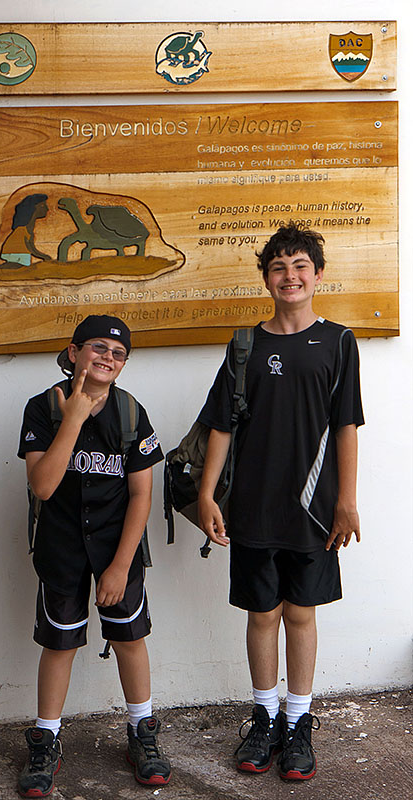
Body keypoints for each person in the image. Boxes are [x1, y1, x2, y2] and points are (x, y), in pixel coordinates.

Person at [197, 223, 364, 781]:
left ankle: (298, 722)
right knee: (262, 613)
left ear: (317, 275)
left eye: (299, 267)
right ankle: (264, 717)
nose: (289, 277)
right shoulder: (247, 344)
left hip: (314, 509)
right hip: (251, 507)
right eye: (278, 268)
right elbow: (220, 426)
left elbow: (346, 426)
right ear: (266, 278)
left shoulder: (339, 341)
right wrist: (204, 494)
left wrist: (347, 501)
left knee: (300, 613)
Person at [17, 315, 170, 797]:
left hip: (114, 546)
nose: (107, 357)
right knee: (60, 642)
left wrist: (121, 565)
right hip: (61, 545)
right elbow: (42, 485)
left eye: (118, 353)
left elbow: (142, 495)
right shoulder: (43, 407)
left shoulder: (130, 412)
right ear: (74, 351)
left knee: (128, 637)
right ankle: (46, 739)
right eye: (97, 347)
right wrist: (76, 417)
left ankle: (142, 733)